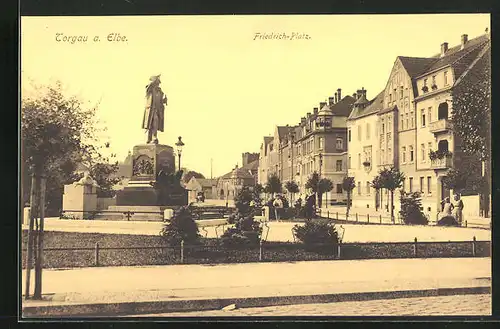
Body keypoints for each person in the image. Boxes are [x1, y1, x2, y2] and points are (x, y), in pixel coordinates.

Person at [143, 74, 168, 144]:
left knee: (155, 122)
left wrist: (164, 100)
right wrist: (153, 81)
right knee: (150, 123)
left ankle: (154, 137)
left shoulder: (160, 92)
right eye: (157, 82)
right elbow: (148, 88)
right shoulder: (150, 89)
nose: (158, 84)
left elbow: (160, 101)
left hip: (157, 110)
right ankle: (150, 138)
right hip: (151, 109)